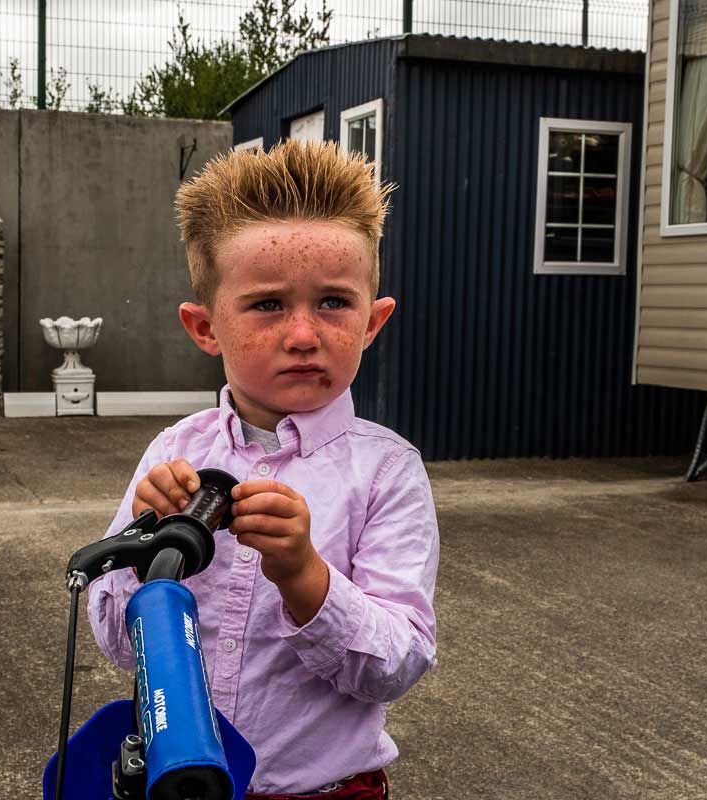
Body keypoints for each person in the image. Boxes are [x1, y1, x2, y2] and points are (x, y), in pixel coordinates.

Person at [87, 140, 438, 799]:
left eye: (334, 302)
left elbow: (397, 663)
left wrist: (305, 576)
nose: (303, 334)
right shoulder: (173, 453)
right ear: (204, 326)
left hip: (327, 790)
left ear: (373, 321)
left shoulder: (386, 473)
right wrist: (142, 552)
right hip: (176, 783)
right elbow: (118, 644)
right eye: (268, 305)